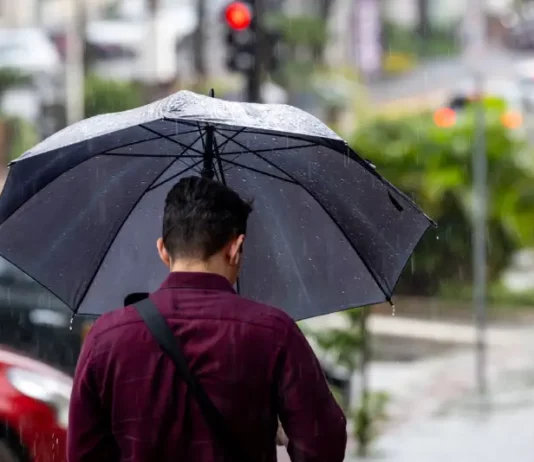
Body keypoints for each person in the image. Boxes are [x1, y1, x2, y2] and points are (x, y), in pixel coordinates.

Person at [68, 176, 347, 462]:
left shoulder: (106, 337)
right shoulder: (274, 332)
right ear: (236, 248)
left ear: (163, 250)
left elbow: (83, 453)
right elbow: (323, 445)